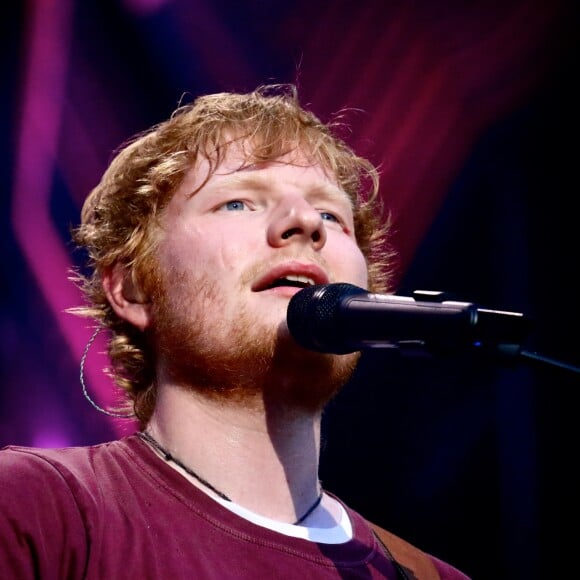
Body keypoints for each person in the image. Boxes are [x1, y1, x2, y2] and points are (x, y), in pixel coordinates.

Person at [0, 84, 470, 579]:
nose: (306, 222)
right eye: (239, 203)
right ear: (134, 289)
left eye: (331, 214)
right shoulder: (36, 510)